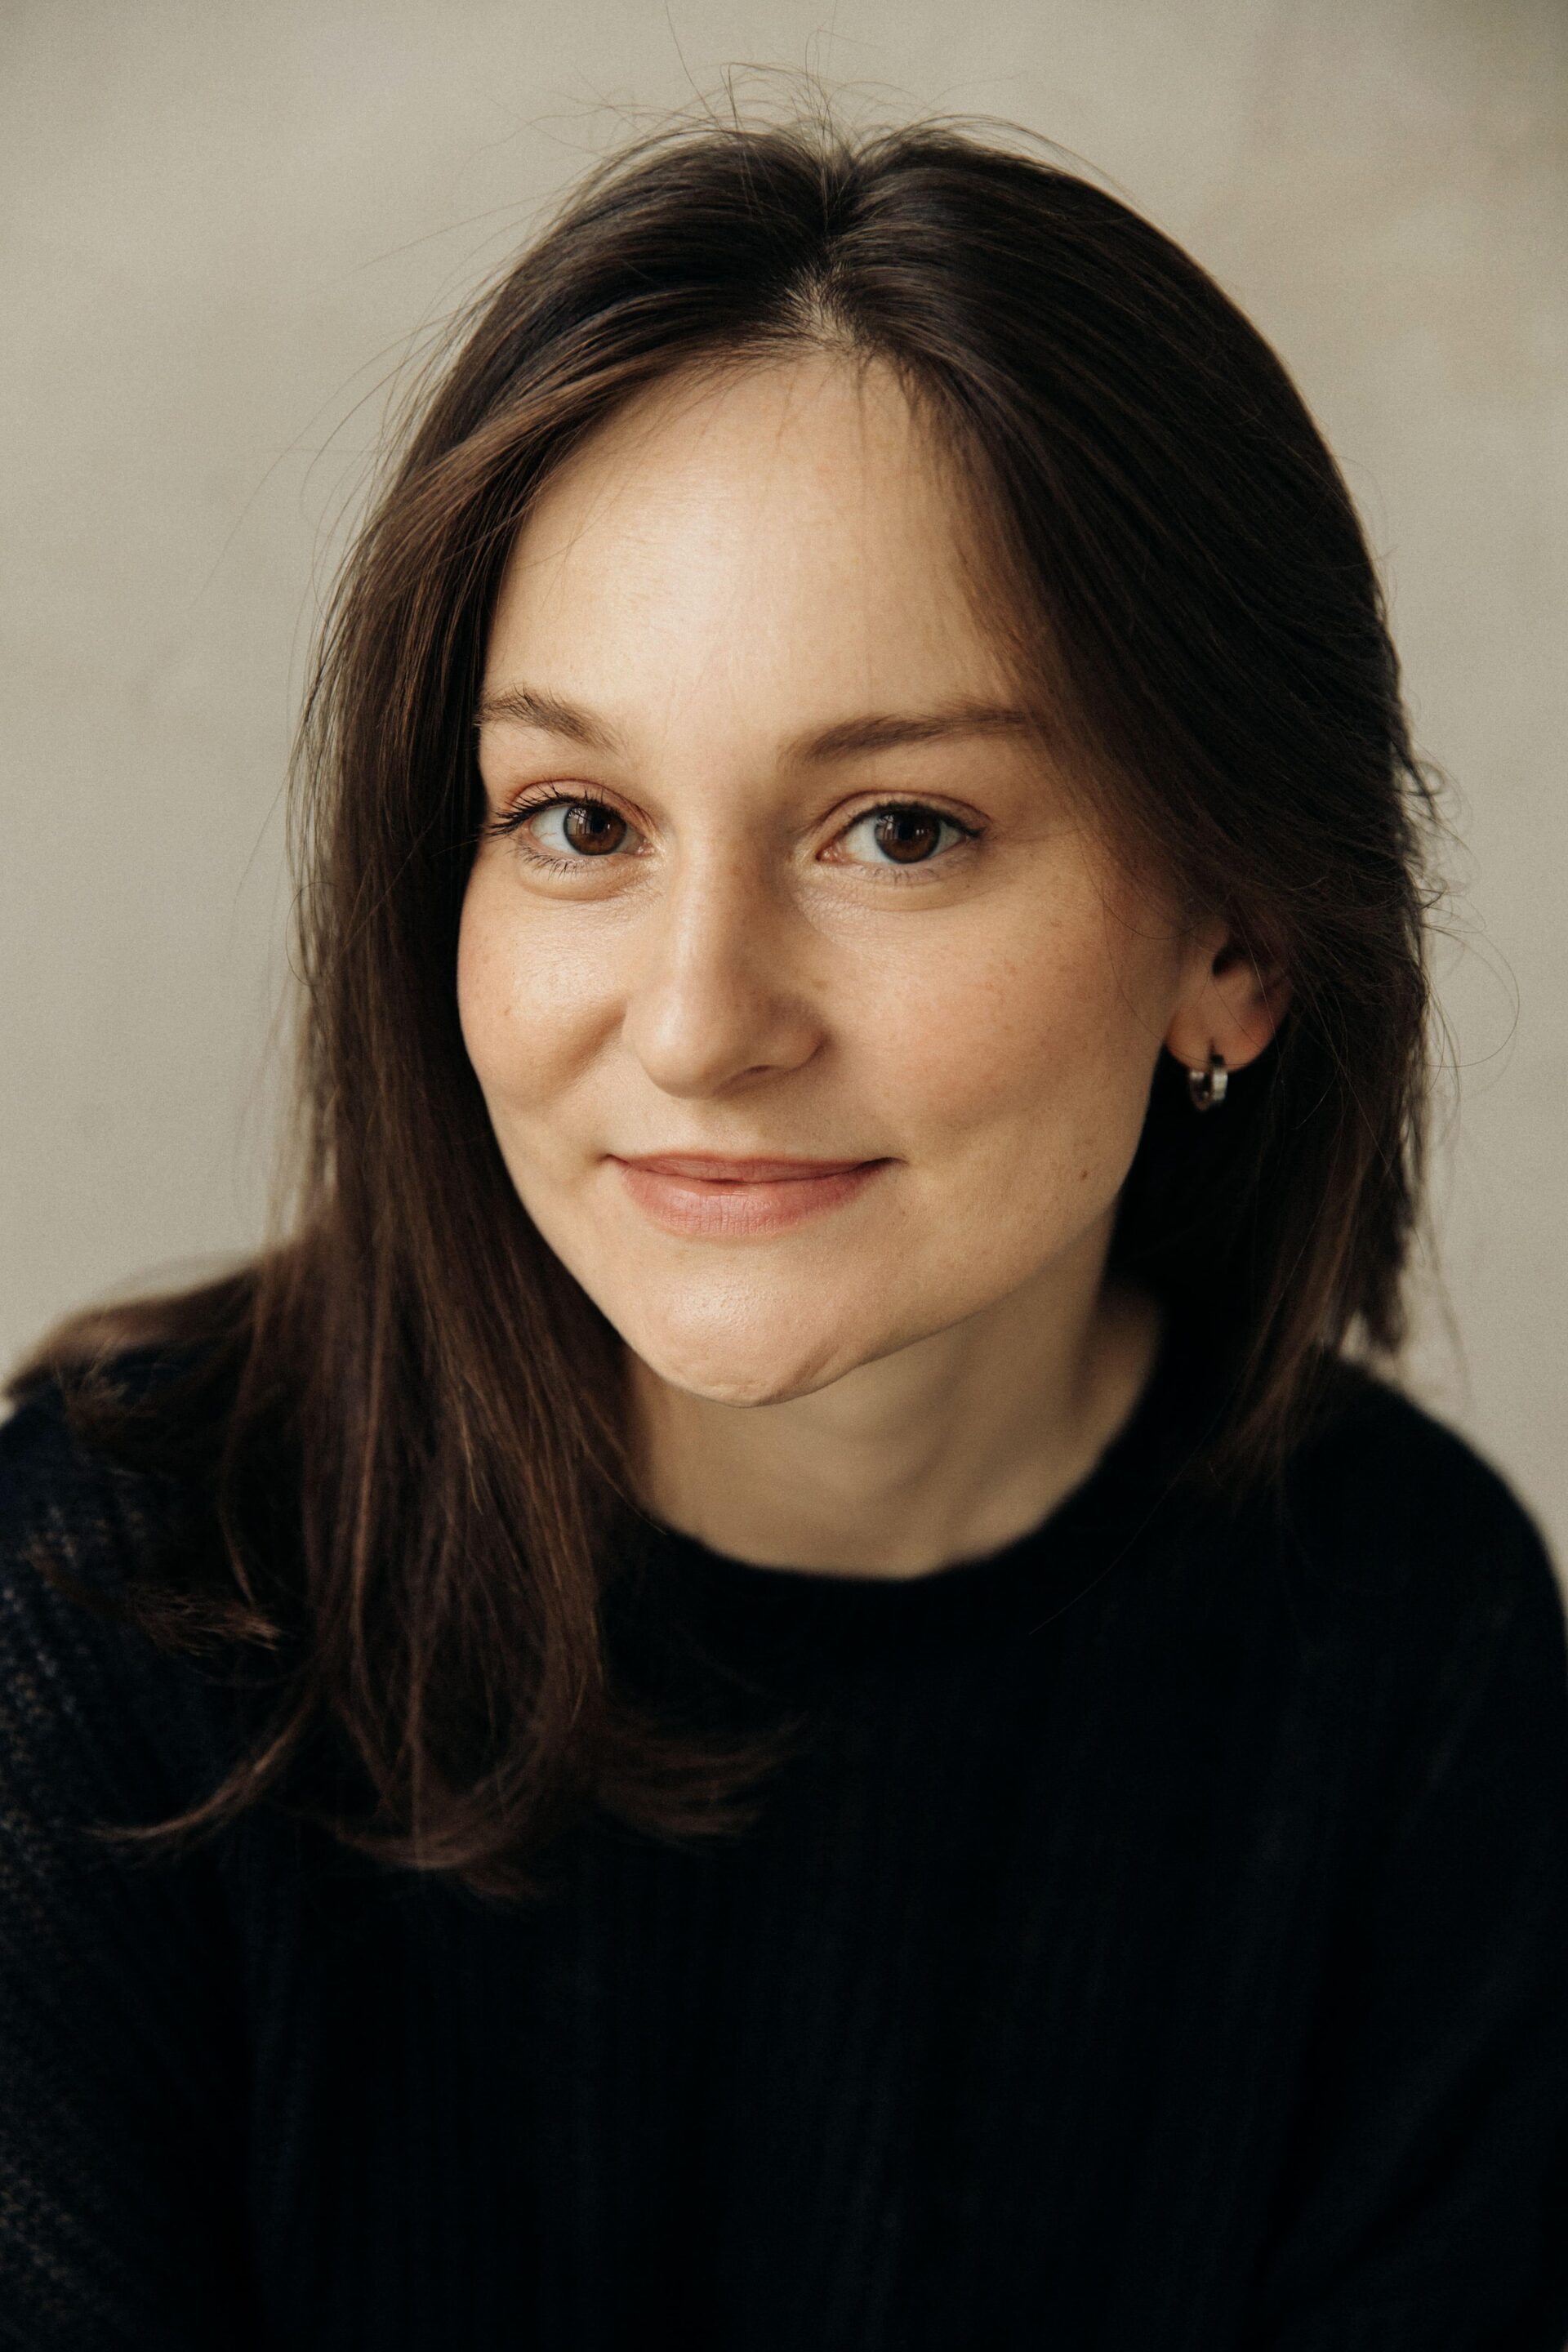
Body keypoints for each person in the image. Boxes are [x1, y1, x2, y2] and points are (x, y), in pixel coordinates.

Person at [2, 107, 1565, 2352]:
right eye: (578, 820)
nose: (697, 1023)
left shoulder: (1415, 1655)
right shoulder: (110, 1614)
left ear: (1237, 935)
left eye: (899, 829)